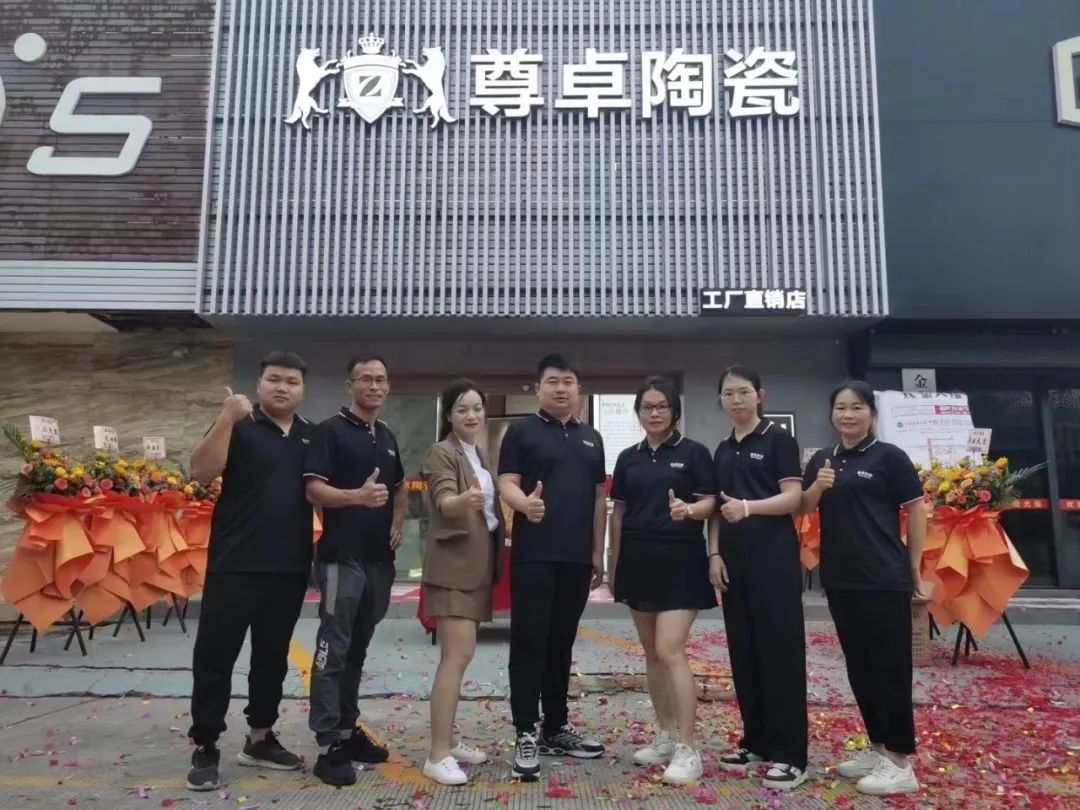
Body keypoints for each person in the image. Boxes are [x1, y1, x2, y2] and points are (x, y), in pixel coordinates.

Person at [185, 351, 314, 792]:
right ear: (258, 385)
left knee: (271, 659)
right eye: (274, 379)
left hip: (289, 566)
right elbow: (201, 472)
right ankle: (206, 743)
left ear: (302, 390)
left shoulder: (311, 436)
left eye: (292, 381)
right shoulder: (239, 424)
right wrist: (226, 417)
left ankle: (260, 737)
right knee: (215, 657)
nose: (282, 387)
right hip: (234, 564)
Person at [800, 380, 929, 797]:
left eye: (857, 407)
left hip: (884, 578)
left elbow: (916, 511)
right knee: (860, 666)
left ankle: (901, 761)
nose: (848, 414)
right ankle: (878, 748)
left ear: (871, 413)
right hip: (841, 578)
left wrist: (914, 567)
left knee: (891, 668)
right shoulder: (822, 459)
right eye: (841, 407)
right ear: (831, 414)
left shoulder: (890, 457)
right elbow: (803, 506)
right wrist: (817, 486)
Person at [497, 353, 608, 781]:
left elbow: (599, 498)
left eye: (568, 381)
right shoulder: (521, 431)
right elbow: (507, 481)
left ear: (579, 389)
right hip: (534, 556)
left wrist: (597, 553)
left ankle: (556, 727)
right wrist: (524, 503)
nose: (561, 388)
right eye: (553, 381)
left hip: (576, 559)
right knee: (529, 643)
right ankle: (526, 731)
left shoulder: (592, 438)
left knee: (561, 644)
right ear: (538, 387)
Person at [303, 355, 406, 786]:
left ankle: (348, 730)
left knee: (358, 649)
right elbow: (314, 489)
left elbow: (399, 486)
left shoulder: (387, 435)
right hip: (340, 558)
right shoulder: (330, 431)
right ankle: (328, 745)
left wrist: (398, 521)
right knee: (333, 649)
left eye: (381, 379)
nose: (374, 386)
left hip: (378, 560)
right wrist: (356, 497)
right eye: (366, 379)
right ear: (350, 385)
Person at [609, 376, 717, 785]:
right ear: (638, 412)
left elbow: (711, 504)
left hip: (680, 559)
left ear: (674, 411)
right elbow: (619, 512)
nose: (654, 413)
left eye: (661, 406)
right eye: (647, 407)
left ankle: (689, 749)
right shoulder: (628, 457)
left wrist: (689, 511)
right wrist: (613, 563)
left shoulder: (694, 453)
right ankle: (666, 735)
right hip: (638, 560)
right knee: (651, 654)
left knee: (670, 649)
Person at [710, 366, 809, 791]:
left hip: (774, 560)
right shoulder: (722, 449)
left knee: (780, 653)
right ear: (720, 400)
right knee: (744, 651)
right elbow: (718, 509)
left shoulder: (778, 439)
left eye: (743, 392)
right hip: (734, 562)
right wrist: (714, 553)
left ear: (760, 395)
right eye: (728, 394)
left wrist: (748, 508)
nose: (736, 400)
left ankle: (791, 756)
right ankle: (757, 741)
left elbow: (794, 498)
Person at [418, 379, 506, 786]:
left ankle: (449, 741)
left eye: (477, 408)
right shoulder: (442, 451)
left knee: (459, 657)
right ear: (449, 415)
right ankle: (437, 754)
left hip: (476, 567)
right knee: (456, 656)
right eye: (462, 409)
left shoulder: (478, 452)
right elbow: (443, 499)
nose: (471, 415)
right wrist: (463, 501)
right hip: (453, 570)